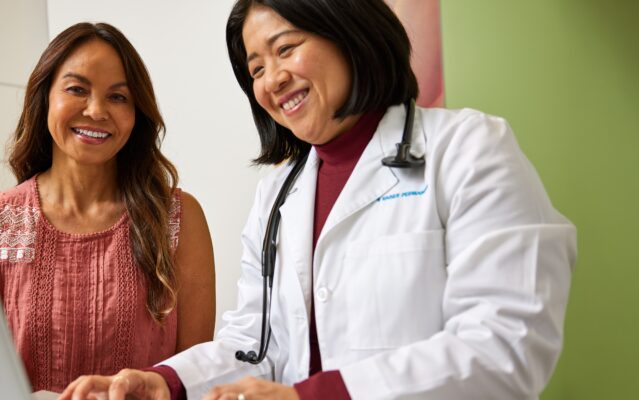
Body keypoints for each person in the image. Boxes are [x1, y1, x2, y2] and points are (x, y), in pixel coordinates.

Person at [60, 0, 576, 399]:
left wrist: (315, 395)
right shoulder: (278, 196)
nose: (272, 80)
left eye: (285, 49)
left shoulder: (467, 149)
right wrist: (165, 383)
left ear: (347, 31)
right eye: (256, 69)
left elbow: (508, 344)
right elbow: (256, 344)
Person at [0, 22, 216, 393]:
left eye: (118, 97)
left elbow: (193, 381)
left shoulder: (178, 218)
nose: (97, 111)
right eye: (77, 89)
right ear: (44, 96)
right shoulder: (3, 220)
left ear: (137, 112)